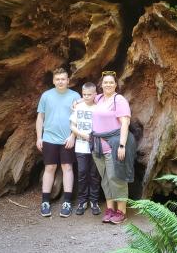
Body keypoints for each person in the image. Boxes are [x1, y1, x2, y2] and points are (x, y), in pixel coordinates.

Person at [90, 71, 136, 224]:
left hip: (113, 145)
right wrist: (76, 103)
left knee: (116, 177)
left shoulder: (119, 100)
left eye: (111, 82)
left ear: (116, 84)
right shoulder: (99, 98)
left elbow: (125, 123)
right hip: (98, 146)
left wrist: (122, 145)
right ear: (101, 85)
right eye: (105, 82)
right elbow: (86, 98)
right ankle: (110, 209)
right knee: (105, 179)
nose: (108, 84)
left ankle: (121, 211)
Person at [36, 67, 80, 218]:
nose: (60, 81)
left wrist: (73, 136)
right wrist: (38, 137)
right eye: (58, 79)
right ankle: (45, 201)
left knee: (67, 167)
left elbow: (78, 118)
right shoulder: (46, 96)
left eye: (63, 79)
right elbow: (40, 118)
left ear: (68, 80)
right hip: (49, 138)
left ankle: (67, 202)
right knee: (50, 168)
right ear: (54, 81)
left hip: (67, 139)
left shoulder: (75, 96)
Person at [70, 82, 101, 216]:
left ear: (95, 94)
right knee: (82, 173)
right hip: (81, 146)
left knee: (94, 175)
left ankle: (94, 201)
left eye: (90, 94)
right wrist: (83, 135)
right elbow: (72, 126)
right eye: (84, 95)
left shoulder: (99, 107)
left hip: (95, 146)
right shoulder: (78, 107)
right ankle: (82, 201)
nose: (87, 97)